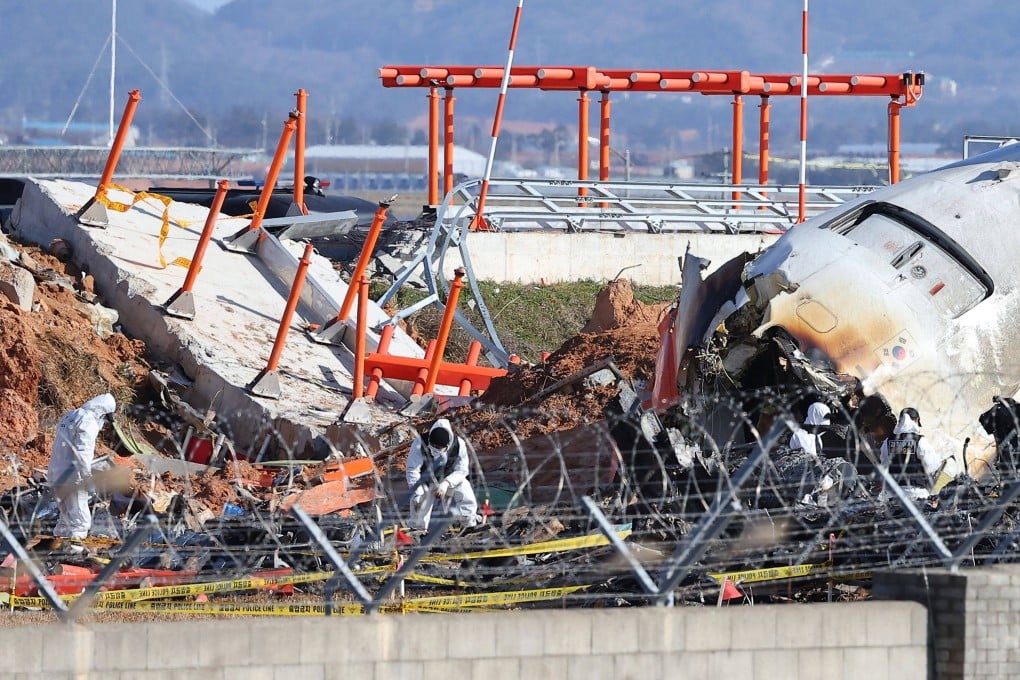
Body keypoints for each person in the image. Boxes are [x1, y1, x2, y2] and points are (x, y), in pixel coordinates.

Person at [47, 393, 116, 541]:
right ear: (102, 412)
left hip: (55, 473)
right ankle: (71, 554)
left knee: (64, 520)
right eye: (104, 419)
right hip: (73, 477)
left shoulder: (70, 415)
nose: (103, 423)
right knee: (81, 522)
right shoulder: (89, 421)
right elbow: (82, 453)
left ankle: (53, 553)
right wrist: (87, 478)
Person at [405, 418, 479, 531]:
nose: (435, 450)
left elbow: (462, 470)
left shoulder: (459, 445)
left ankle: (468, 525)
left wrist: (446, 483)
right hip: (426, 481)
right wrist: (417, 491)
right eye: (433, 445)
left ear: (447, 445)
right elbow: (412, 469)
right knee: (419, 501)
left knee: (465, 490)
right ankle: (417, 530)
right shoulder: (420, 442)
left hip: (448, 479)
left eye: (439, 448)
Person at [879, 407, 957, 494]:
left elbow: (884, 465)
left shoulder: (887, 441)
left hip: (894, 493)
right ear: (917, 420)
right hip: (916, 492)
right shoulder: (919, 441)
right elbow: (932, 466)